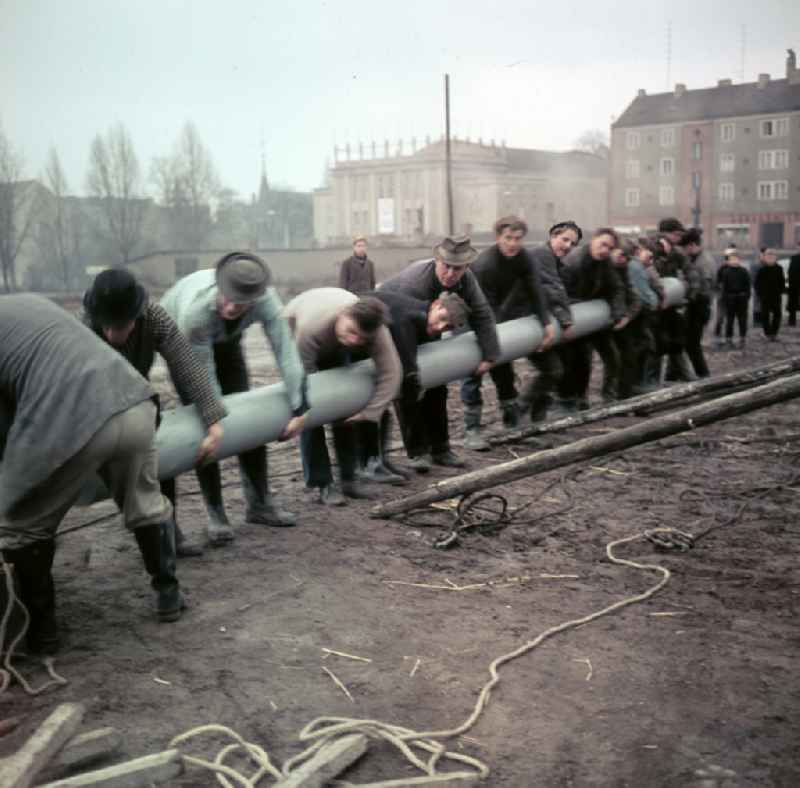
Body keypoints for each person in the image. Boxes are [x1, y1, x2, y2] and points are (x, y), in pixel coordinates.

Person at [0, 295, 185, 654]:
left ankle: (42, 634)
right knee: (145, 503)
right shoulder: (28, 304)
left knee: (20, 525)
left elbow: (5, 427)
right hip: (134, 402)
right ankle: (169, 595)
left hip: (74, 420)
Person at [161, 252, 308, 546]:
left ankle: (260, 504)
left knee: (248, 416)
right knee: (204, 426)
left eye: (240, 304)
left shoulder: (265, 300)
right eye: (227, 299)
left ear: (255, 298)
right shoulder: (196, 313)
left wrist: (300, 405)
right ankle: (216, 515)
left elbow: (285, 350)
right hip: (183, 343)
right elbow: (205, 380)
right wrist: (214, 421)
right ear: (219, 288)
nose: (231, 307)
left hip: (227, 340)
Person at [82, 268, 227, 556]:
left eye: (120, 326)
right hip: (96, 404)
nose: (111, 334)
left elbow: (187, 364)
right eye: (106, 325)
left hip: (140, 396)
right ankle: (152, 535)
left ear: (136, 316)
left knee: (161, 454)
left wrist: (213, 418)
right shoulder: (83, 329)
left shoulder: (155, 318)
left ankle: (169, 530)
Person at [379, 235, 500, 470]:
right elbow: (402, 325)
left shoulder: (467, 281)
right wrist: (411, 370)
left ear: (466, 267)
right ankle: (417, 452)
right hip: (392, 328)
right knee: (408, 388)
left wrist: (490, 354)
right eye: (447, 266)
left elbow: (482, 313)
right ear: (436, 260)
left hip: (429, 325)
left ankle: (441, 448)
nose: (451, 274)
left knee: (437, 385)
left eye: (458, 268)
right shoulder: (415, 283)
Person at [282, 289, 402, 505]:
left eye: (361, 338)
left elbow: (392, 372)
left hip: (331, 338)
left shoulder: (375, 330)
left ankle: (349, 478)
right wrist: (303, 409)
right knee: (310, 414)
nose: (353, 340)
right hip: (294, 330)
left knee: (344, 406)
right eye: (351, 331)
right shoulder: (311, 329)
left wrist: (370, 412)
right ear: (343, 315)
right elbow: (303, 385)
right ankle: (321, 484)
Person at [459, 216, 556, 450]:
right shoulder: (486, 264)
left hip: (498, 320)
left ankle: (512, 427)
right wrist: (490, 348)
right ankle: (471, 431)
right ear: (498, 237)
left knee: (504, 372)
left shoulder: (524, 258)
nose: (513, 244)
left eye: (518, 239)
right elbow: (483, 309)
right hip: (471, 318)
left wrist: (546, 323)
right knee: (473, 375)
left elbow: (535, 289)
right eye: (508, 238)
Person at [355, 290, 472, 480]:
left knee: (437, 389)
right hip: (358, 338)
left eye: (447, 326)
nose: (440, 326)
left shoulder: (427, 320)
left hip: (381, 343)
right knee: (402, 392)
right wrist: (413, 389)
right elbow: (407, 373)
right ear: (435, 305)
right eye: (441, 318)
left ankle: (438, 449)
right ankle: (404, 455)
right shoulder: (406, 318)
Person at [558, 228, 627, 409]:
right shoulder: (573, 262)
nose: (605, 250)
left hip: (595, 318)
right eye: (603, 244)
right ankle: (574, 400)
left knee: (613, 357)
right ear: (594, 239)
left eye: (609, 248)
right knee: (579, 360)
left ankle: (608, 398)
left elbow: (617, 287)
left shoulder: (605, 263)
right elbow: (560, 294)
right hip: (575, 318)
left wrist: (618, 312)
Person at [609, 240, 642, 399]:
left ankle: (624, 395)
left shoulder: (623, 271)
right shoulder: (602, 267)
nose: (623, 260)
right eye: (621, 255)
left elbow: (635, 298)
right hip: (606, 322)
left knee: (628, 357)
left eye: (627, 258)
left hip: (619, 321)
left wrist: (626, 317)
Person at [628, 238, 662, 392]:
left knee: (644, 349)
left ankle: (636, 385)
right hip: (637, 318)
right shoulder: (636, 267)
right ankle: (636, 386)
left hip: (637, 317)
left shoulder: (642, 267)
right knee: (642, 349)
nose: (650, 258)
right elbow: (650, 298)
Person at [680, 228, 714, 378]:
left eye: (685, 248)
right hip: (697, 306)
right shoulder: (699, 258)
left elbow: (704, 289)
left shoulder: (703, 262)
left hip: (699, 307)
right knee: (689, 343)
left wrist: (687, 295)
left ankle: (704, 375)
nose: (684, 252)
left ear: (692, 245)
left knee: (692, 344)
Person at [718, 250, 751, 348]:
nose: (734, 261)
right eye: (731, 259)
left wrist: (746, 296)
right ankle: (729, 339)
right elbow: (724, 287)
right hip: (730, 298)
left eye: (736, 259)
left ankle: (742, 338)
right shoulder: (726, 272)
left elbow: (748, 285)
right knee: (730, 320)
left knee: (742, 320)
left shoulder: (744, 271)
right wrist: (726, 298)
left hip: (742, 298)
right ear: (728, 261)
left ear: (739, 260)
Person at [754, 249, 785, 341]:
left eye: (772, 256)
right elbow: (757, 284)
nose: (771, 258)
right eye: (768, 256)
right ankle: (767, 333)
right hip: (765, 297)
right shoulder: (762, 270)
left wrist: (780, 291)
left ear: (776, 258)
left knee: (777, 315)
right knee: (765, 316)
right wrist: (760, 294)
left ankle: (774, 333)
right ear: (765, 258)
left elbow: (782, 281)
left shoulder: (779, 269)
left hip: (776, 296)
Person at [787, 243, 800, 327]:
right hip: (794, 284)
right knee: (792, 303)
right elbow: (790, 271)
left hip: (794, 283)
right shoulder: (794, 258)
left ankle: (792, 321)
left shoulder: (794, 258)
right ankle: (792, 321)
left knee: (793, 302)